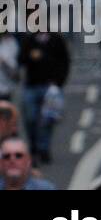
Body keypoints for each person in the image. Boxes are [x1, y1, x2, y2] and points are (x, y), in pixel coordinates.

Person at [19, 30, 68, 164]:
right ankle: (33, 146)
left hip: (50, 86)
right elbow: (21, 58)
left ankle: (44, 148)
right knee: (30, 118)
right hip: (32, 86)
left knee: (48, 119)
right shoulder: (29, 39)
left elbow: (64, 60)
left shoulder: (56, 39)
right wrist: (30, 56)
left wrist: (59, 82)